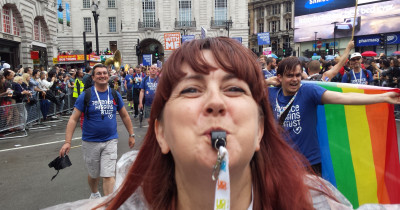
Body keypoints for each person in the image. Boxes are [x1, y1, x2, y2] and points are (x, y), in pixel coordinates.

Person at [46, 38, 400, 210]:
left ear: (261, 129)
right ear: (161, 131)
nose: (215, 102)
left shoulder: (316, 203)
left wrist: (383, 97)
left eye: (233, 88)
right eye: (191, 89)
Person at [267, 56, 400, 175]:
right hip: (281, 163)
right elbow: (248, 89)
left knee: (310, 202)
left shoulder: (309, 91)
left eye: (298, 75)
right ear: (279, 77)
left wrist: (383, 97)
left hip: (309, 164)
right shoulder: (271, 94)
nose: (295, 80)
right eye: (290, 75)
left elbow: (344, 98)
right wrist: (267, 81)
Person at [58, 63, 135, 199]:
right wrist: (67, 142)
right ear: (93, 77)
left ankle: (108, 203)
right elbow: (73, 119)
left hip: (110, 140)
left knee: (108, 174)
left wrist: (131, 134)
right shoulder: (86, 95)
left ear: (108, 76)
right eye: (98, 73)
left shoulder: (114, 94)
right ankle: (94, 193)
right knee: (94, 174)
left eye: (104, 73)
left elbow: (124, 115)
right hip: (90, 142)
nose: (102, 76)